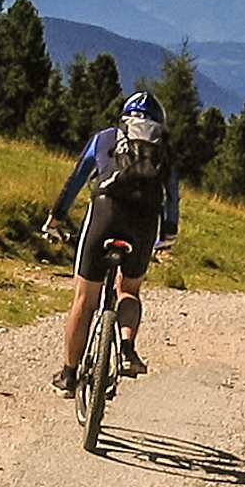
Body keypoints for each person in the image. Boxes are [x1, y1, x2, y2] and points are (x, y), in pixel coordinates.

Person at [41, 91, 180, 396]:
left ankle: (68, 375)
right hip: (145, 221)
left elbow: (76, 179)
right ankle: (127, 349)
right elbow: (172, 197)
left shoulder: (105, 137)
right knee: (128, 290)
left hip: (106, 211)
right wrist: (168, 234)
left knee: (84, 299)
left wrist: (56, 218)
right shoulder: (164, 149)